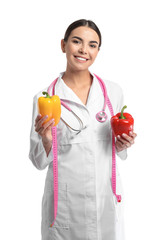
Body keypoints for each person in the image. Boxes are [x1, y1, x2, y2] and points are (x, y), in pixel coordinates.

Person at [29, 19, 137, 240]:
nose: (83, 50)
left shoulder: (113, 92)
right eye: (76, 42)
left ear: (98, 51)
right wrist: (47, 140)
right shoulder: (44, 98)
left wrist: (121, 144)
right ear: (63, 45)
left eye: (92, 45)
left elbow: (116, 151)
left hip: (104, 200)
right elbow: (38, 161)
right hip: (65, 208)